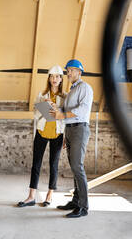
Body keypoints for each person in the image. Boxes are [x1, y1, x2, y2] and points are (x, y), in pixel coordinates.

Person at [17, 65, 65, 207]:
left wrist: (57, 109)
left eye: (57, 76)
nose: (54, 79)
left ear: (61, 79)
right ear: (49, 79)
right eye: (52, 76)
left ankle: (49, 195)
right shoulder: (41, 95)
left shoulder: (65, 97)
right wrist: (43, 105)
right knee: (36, 164)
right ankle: (31, 196)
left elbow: (66, 119)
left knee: (53, 165)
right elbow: (35, 115)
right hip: (41, 132)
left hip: (57, 134)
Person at [50, 59, 93, 218]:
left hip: (80, 129)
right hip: (69, 130)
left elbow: (82, 110)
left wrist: (62, 114)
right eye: (67, 70)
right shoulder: (72, 91)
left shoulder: (85, 88)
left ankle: (83, 207)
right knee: (74, 168)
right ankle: (75, 201)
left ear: (80, 72)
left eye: (72, 70)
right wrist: (55, 108)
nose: (68, 73)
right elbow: (65, 111)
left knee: (77, 167)